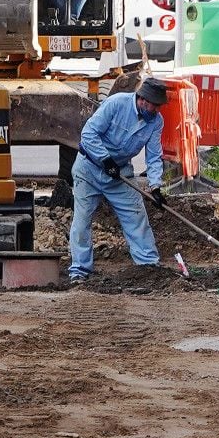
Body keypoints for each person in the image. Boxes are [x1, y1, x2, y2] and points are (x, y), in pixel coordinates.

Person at [68, 77, 169, 284]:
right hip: (89, 169)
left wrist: (156, 186)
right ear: (142, 100)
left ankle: (148, 267)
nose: (157, 110)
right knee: (82, 221)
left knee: (136, 216)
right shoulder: (116, 103)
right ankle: (79, 270)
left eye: (159, 106)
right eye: (154, 106)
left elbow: (154, 155)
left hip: (120, 174)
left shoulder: (156, 122)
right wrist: (105, 159)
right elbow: (88, 134)